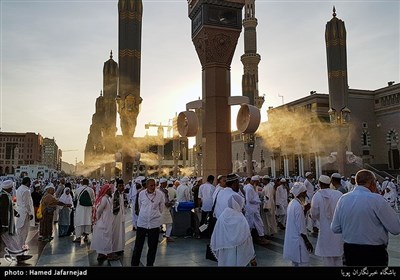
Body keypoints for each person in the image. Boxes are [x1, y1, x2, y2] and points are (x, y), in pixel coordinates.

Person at [331, 169, 400, 266]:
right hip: (374, 253)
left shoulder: (343, 199)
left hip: (350, 252)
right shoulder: (377, 200)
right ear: (372, 183)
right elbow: (395, 229)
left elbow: (335, 228)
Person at [210, 195, 256, 266]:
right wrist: (252, 257)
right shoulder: (241, 218)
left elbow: (217, 234)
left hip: (225, 250)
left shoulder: (223, 216)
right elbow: (247, 238)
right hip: (239, 252)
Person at [310, 175, 343, 266]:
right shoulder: (338, 194)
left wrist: (321, 218)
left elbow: (314, 214)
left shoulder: (317, 195)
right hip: (338, 232)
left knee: (328, 260)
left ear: (320, 184)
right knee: (338, 259)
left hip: (325, 231)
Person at [131, 178, 165, 266]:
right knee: (138, 246)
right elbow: (140, 206)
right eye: (151, 185)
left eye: (154, 185)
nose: (153, 187)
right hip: (142, 223)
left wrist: (155, 215)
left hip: (154, 224)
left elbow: (161, 208)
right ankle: (134, 264)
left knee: (152, 247)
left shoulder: (160, 194)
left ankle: (150, 264)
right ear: (147, 185)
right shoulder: (141, 194)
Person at [0, 180, 32, 263]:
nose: (12, 189)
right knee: (10, 240)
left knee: (11, 240)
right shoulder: (4, 197)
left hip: (7, 223)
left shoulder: (5, 195)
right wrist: (4, 225)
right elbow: (3, 211)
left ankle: (19, 255)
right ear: (7, 188)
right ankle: (18, 255)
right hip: (5, 224)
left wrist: (16, 213)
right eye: (11, 187)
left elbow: (9, 208)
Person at [283, 182, 313, 266]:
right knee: (303, 263)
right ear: (300, 193)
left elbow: (297, 220)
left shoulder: (292, 203)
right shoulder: (298, 206)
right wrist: (307, 242)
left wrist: (305, 210)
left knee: (295, 263)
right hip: (299, 241)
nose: (306, 195)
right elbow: (301, 227)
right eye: (304, 193)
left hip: (293, 240)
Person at [90, 184, 118, 261]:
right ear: (106, 190)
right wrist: (99, 220)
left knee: (102, 238)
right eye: (109, 190)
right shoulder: (104, 199)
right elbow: (98, 211)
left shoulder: (107, 198)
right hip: (103, 223)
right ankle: (109, 254)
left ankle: (101, 254)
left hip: (105, 222)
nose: (111, 191)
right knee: (106, 238)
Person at [73, 178, 95, 243]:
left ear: (82, 183)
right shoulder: (91, 190)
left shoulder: (78, 189)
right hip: (88, 209)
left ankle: (78, 237)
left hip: (80, 208)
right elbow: (93, 199)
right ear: (88, 183)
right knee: (87, 221)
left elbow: (75, 198)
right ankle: (86, 237)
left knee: (79, 222)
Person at [15, 176, 35, 249]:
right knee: (24, 232)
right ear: (27, 182)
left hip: (19, 211)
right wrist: (30, 213)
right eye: (29, 182)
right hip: (24, 212)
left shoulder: (19, 188)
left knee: (20, 231)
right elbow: (27, 204)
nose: (30, 184)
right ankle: (21, 249)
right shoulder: (26, 191)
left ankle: (20, 247)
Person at [111, 179, 126, 255]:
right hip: (115, 217)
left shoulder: (122, 195)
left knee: (122, 233)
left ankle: (120, 248)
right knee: (116, 233)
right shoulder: (114, 195)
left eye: (123, 185)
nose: (122, 187)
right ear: (116, 187)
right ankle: (115, 249)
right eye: (120, 186)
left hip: (121, 217)